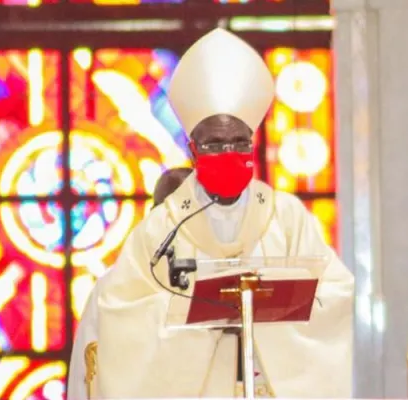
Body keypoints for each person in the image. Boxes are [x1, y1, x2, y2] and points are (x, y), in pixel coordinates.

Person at [69, 28, 354, 399]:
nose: (229, 152)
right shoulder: (164, 227)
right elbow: (119, 312)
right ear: (192, 151)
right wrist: (197, 319)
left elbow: (336, 295)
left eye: (240, 143)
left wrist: (265, 316)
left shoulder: (286, 218)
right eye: (215, 145)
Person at [67, 167, 194, 400]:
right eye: (169, 213)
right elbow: (88, 376)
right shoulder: (112, 289)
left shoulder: (226, 284)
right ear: (153, 217)